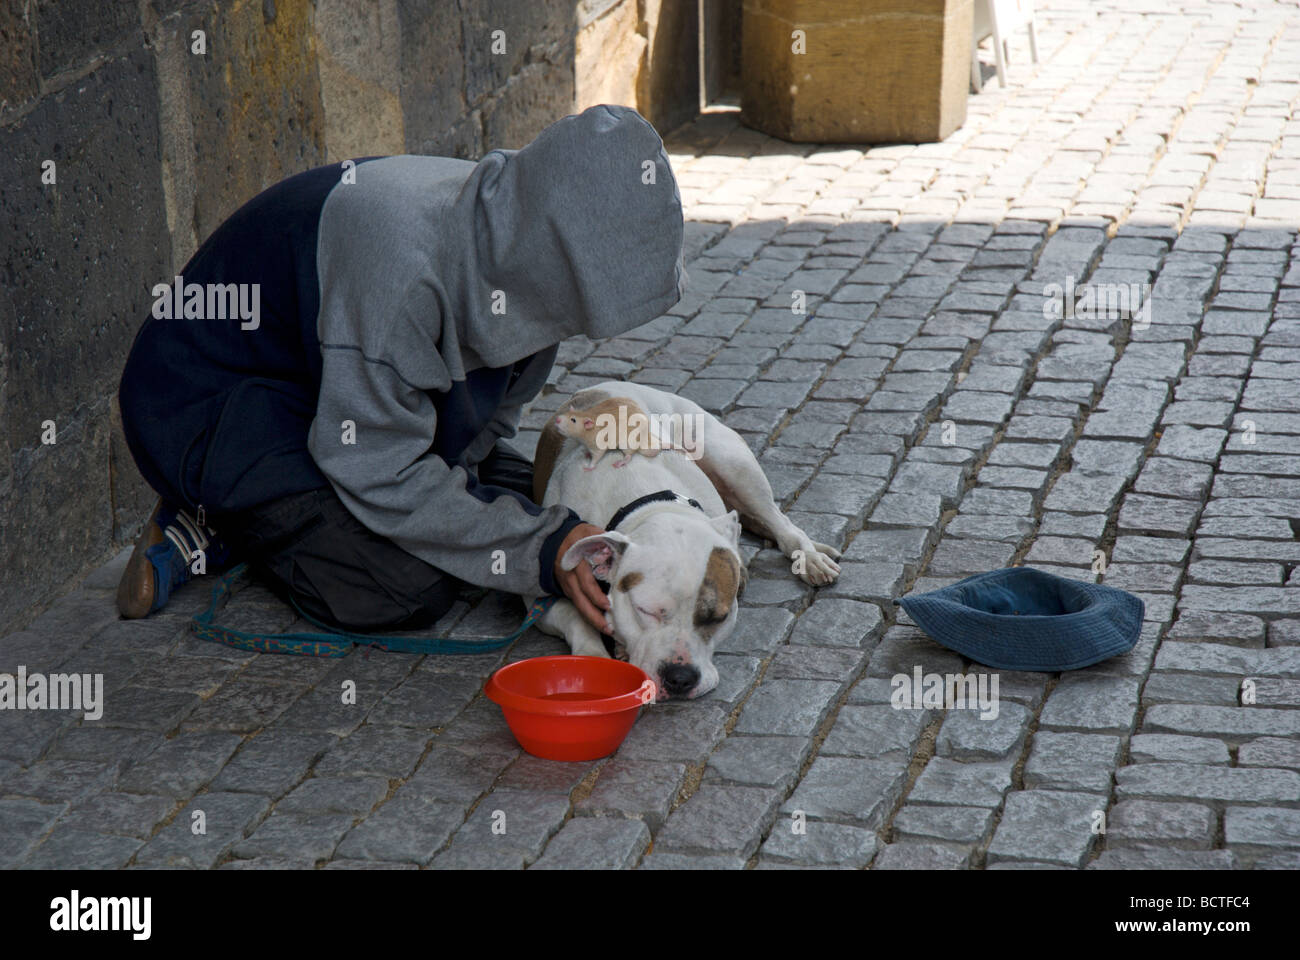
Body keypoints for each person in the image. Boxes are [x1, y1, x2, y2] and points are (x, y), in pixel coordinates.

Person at [114, 104, 686, 640]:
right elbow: (381, 468)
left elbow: (486, 426)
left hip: (343, 397)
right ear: (558, 255)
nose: (587, 323)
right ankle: (224, 519)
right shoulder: (405, 275)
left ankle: (283, 517)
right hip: (214, 408)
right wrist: (538, 548)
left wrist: (547, 534)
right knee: (406, 586)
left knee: (562, 512)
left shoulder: (521, 244)